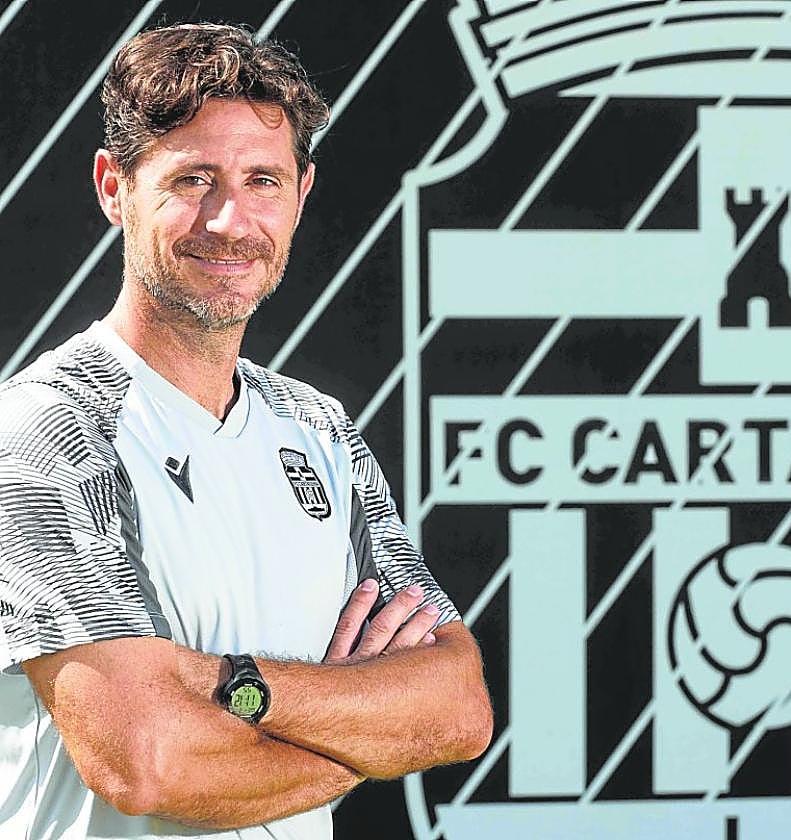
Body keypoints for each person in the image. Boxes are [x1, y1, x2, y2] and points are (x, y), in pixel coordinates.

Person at [0, 22, 492, 840]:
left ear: (302, 193)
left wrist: (233, 684)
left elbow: (458, 706)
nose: (230, 221)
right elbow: (146, 763)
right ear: (114, 188)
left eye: (262, 180)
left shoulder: (319, 429)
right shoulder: (47, 430)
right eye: (193, 179)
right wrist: (363, 741)